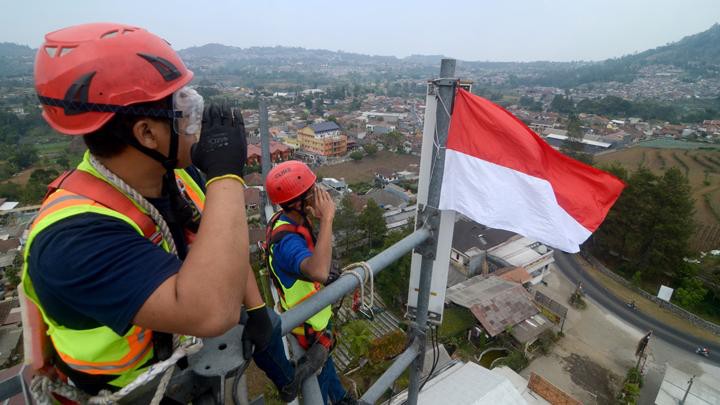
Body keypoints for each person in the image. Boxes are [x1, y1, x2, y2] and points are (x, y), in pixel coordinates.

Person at [22, 22, 323, 401]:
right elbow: (212, 312)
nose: (194, 120)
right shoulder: (72, 241)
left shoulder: (177, 176)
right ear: (147, 134)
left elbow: (218, 240)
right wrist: (227, 175)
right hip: (127, 392)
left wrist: (259, 310)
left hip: (181, 358)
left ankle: (284, 380)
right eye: (182, 108)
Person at [264, 160, 355, 405]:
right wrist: (327, 219)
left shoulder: (288, 220)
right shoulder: (288, 242)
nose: (319, 196)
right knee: (320, 378)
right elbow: (318, 271)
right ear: (297, 203)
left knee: (327, 367)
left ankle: (342, 399)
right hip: (308, 325)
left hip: (313, 317)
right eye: (312, 193)